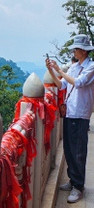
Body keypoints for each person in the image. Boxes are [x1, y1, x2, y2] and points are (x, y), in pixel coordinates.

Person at [49, 34, 94, 203]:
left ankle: (78, 186)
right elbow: (62, 85)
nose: (74, 51)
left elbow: (79, 83)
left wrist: (60, 70)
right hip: (69, 112)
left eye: (76, 48)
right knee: (69, 149)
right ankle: (72, 180)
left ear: (83, 50)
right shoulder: (74, 67)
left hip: (81, 113)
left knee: (78, 151)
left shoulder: (91, 67)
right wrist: (52, 71)